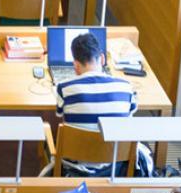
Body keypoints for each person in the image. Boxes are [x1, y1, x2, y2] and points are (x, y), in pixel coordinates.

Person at [53, 31, 142, 177]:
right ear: (102, 59)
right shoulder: (126, 87)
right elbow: (129, 118)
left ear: (75, 65)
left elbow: (59, 114)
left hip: (76, 167)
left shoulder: (65, 88)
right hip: (115, 164)